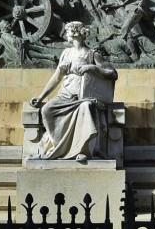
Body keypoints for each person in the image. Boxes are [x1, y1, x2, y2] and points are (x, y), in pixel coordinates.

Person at [29, 21, 117, 161]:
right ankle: (59, 148)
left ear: (76, 32)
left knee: (86, 107)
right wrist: (41, 97)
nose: (66, 34)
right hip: (65, 94)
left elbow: (112, 73)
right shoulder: (66, 53)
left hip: (83, 96)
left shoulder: (91, 54)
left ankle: (83, 150)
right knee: (47, 110)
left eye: (68, 31)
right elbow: (56, 78)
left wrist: (93, 68)